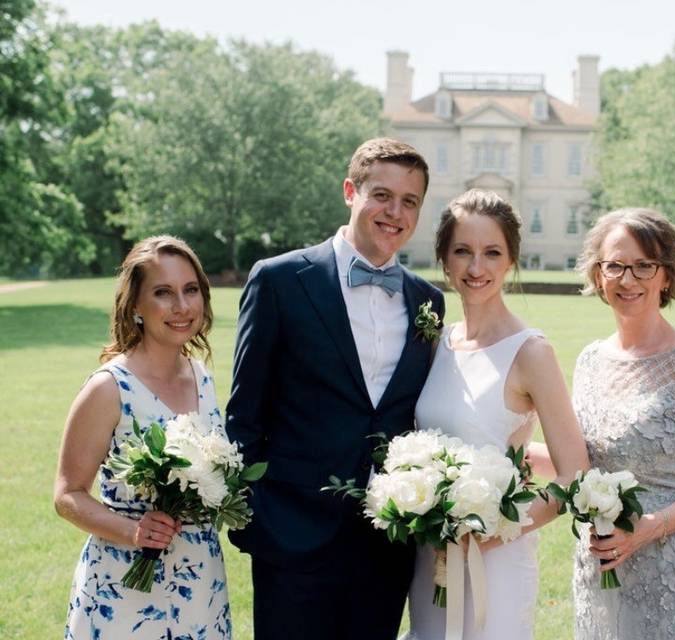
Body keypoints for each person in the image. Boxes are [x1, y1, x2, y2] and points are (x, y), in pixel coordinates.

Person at [225, 138, 444, 639]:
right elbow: (244, 415)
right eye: (382, 195)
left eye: (410, 201)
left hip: (386, 542)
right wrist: (256, 520)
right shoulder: (279, 280)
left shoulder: (426, 300)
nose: (395, 212)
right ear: (351, 191)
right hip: (292, 535)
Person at [405, 189, 589, 640]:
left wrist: (490, 529)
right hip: (431, 555)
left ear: (511, 261)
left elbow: (575, 476)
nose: (476, 268)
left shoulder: (531, 352)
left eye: (492, 253)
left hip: (496, 557)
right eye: (462, 251)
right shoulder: (436, 343)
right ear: (444, 260)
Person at [570, 208, 675, 640]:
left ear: (666, 276)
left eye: (644, 265)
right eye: (614, 265)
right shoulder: (589, 360)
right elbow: (579, 458)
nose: (628, 279)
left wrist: (651, 527)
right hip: (604, 567)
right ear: (598, 275)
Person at [55, 236, 230, 639]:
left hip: (199, 581)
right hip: (125, 588)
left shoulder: (201, 377)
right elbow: (67, 495)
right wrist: (133, 531)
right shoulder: (109, 388)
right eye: (163, 293)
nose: (182, 306)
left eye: (190, 290)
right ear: (136, 304)